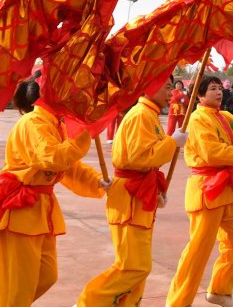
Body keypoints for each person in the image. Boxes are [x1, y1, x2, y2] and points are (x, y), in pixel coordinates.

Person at [0, 77, 107, 307]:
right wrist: (85, 133)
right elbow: (51, 158)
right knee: (17, 288)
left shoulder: (55, 124)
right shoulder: (32, 122)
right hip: (20, 209)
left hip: (40, 209)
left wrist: (97, 181)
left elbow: (68, 167)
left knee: (44, 276)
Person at [77, 75, 189, 306]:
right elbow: (140, 157)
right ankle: (89, 302)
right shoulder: (141, 115)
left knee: (138, 267)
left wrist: (158, 189)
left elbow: (146, 160)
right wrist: (171, 143)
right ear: (150, 86)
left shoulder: (150, 115)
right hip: (129, 197)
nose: (171, 92)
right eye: (167, 87)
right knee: (133, 267)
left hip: (140, 196)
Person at [166, 76, 233, 307]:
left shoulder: (223, 116)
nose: (218, 92)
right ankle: (177, 302)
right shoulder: (197, 119)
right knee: (198, 250)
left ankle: (220, 290)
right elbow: (211, 153)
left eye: (219, 88)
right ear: (200, 95)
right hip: (207, 189)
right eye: (212, 89)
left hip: (226, 188)